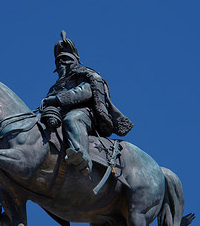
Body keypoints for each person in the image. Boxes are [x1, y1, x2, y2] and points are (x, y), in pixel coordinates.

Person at [42, 31, 133, 175]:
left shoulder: (85, 74)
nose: (62, 63)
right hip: (57, 116)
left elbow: (84, 91)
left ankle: (82, 158)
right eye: (59, 61)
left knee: (72, 119)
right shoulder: (55, 86)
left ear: (75, 60)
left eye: (65, 59)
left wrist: (58, 99)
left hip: (85, 113)